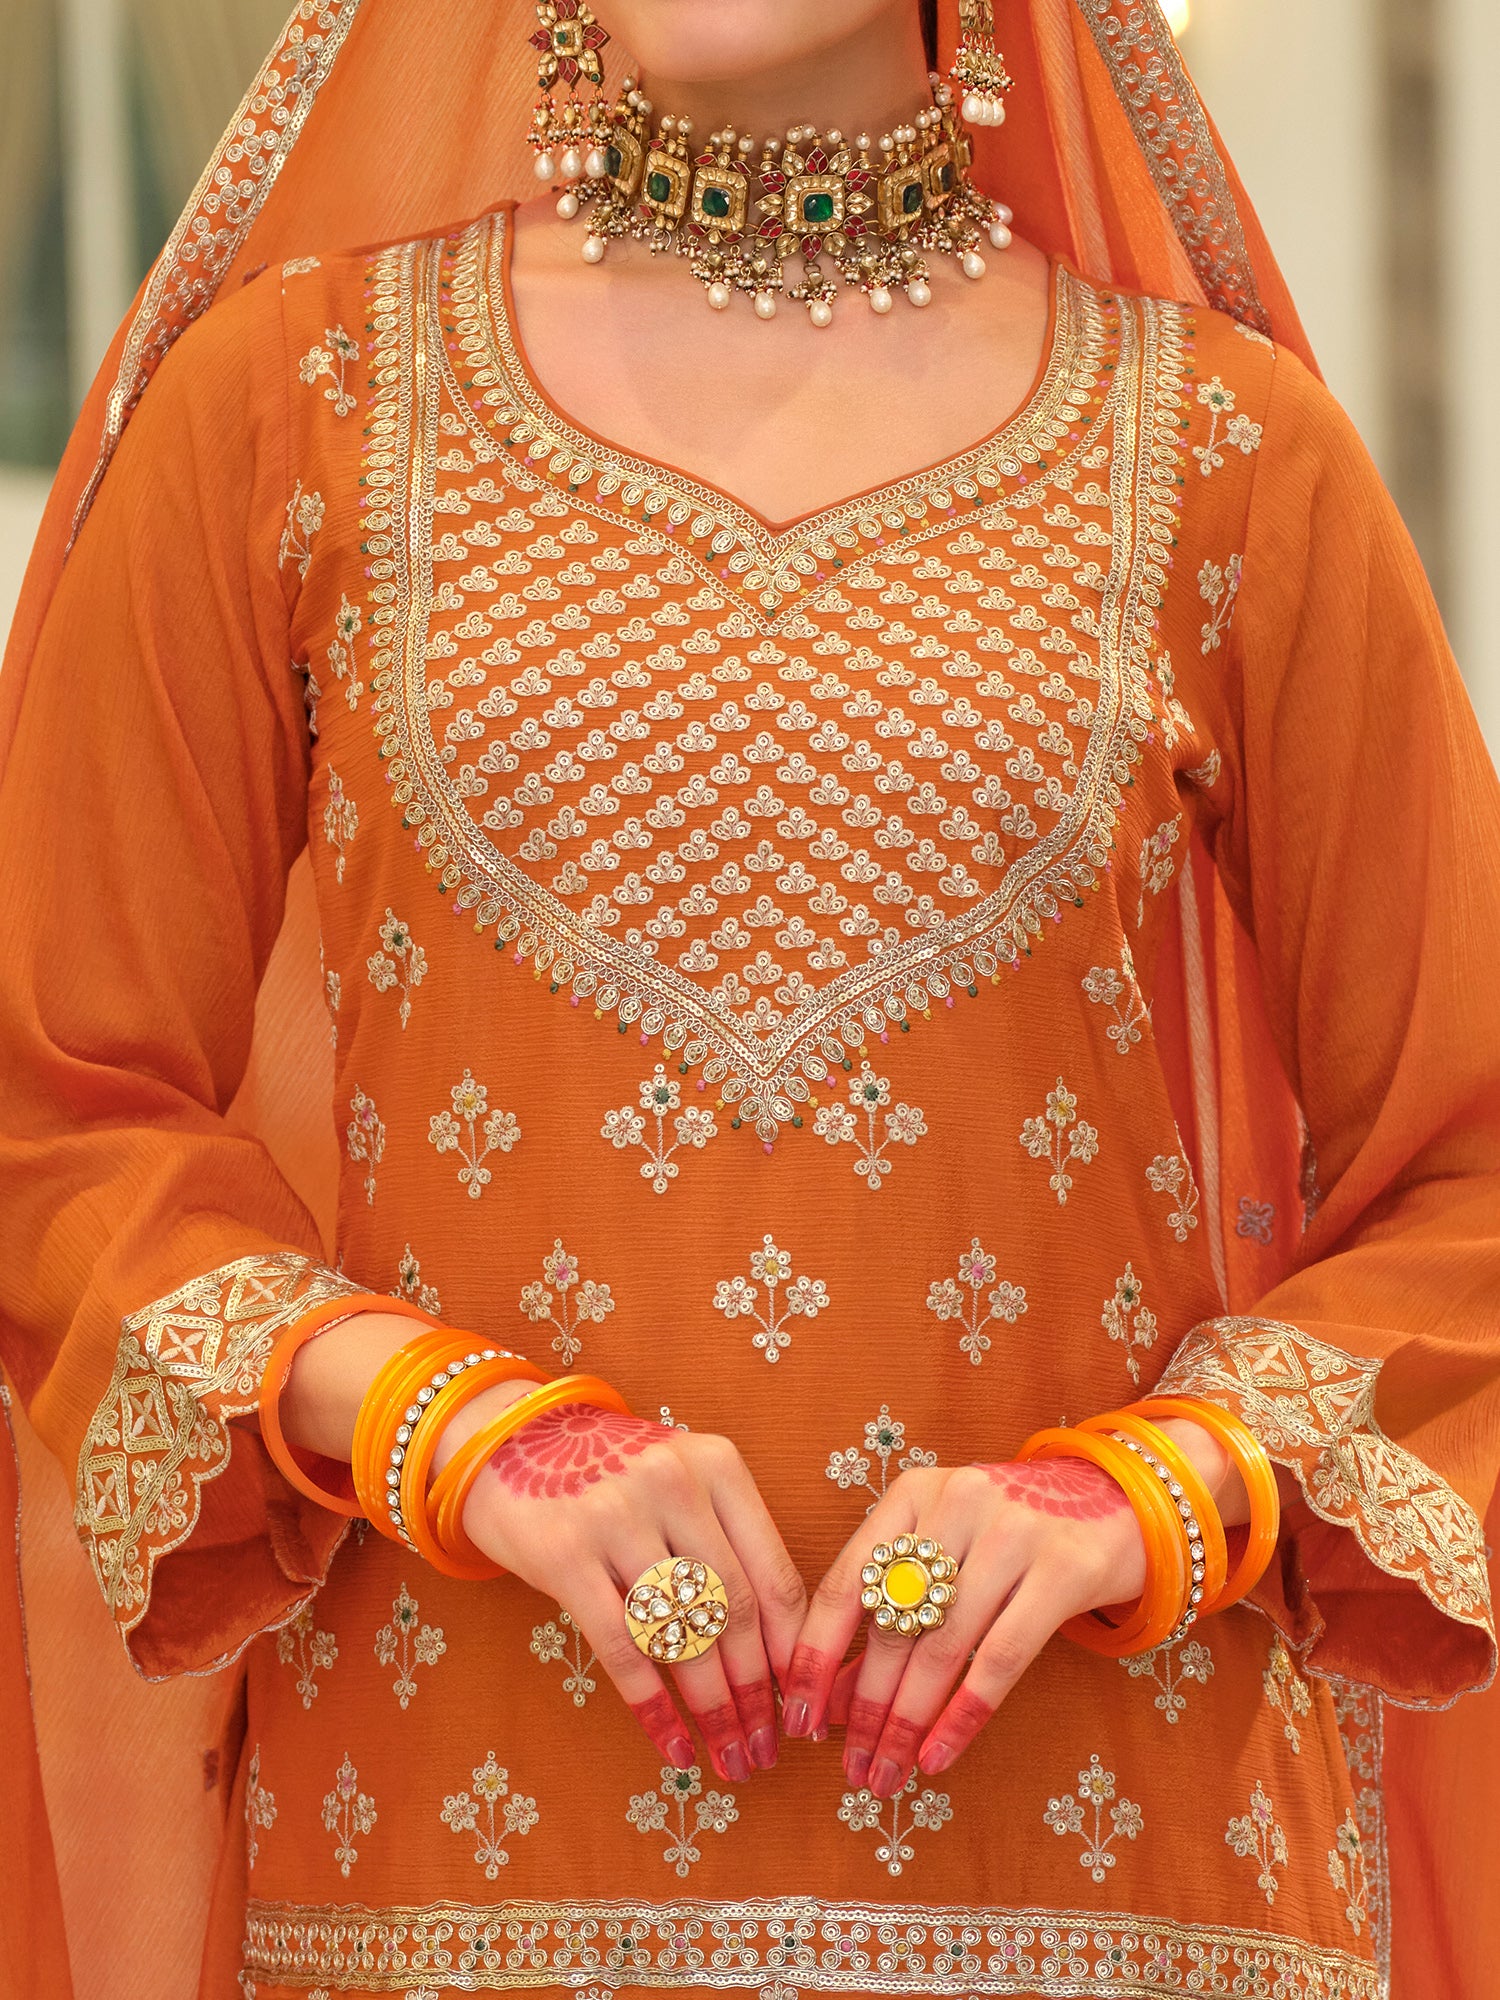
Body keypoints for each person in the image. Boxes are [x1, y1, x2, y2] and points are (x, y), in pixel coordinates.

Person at [2, 2, 1497, 1995]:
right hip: (457, 1873)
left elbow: (1473, 1170)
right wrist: (451, 1429)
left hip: (1113, 1886)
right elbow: (51, 1114)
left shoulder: (1220, 449)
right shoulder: (294, 405)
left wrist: (1158, 1492)